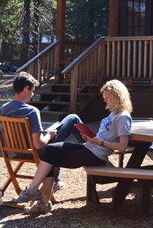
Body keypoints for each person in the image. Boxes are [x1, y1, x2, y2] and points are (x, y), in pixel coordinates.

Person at [13, 79, 133, 215]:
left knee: (52, 158)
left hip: (97, 155)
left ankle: (39, 198)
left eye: (107, 98)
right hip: (90, 147)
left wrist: (98, 142)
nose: (105, 101)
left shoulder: (123, 117)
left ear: (117, 96)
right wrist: (91, 139)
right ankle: (37, 194)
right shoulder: (114, 114)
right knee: (51, 149)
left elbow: (122, 146)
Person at [0, 71, 84, 192]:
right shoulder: (32, 111)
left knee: (53, 139)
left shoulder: (5, 108)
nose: (33, 94)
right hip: (35, 151)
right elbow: (38, 144)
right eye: (32, 90)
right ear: (25, 89)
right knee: (73, 119)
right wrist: (49, 135)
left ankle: (57, 180)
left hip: (18, 149)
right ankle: (93, 147)